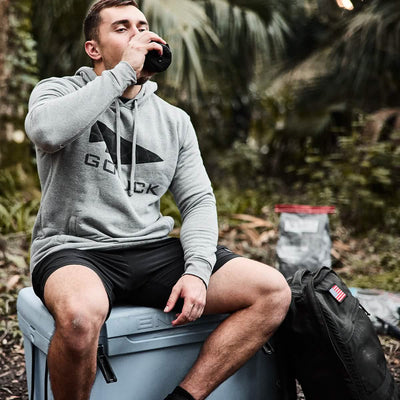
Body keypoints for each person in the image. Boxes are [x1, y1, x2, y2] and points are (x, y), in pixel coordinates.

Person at [24, 1, 291, 399]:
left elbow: (198, 200)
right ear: (94, 49)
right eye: (122, 28)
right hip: (76, 248)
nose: (138, 34)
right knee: (80, 318)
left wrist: (198, 270)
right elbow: (46, 132)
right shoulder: (59, 91)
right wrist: (121, 75)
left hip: (151, 249)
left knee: (272, 291)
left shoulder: (173, 120)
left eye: (143, 25)